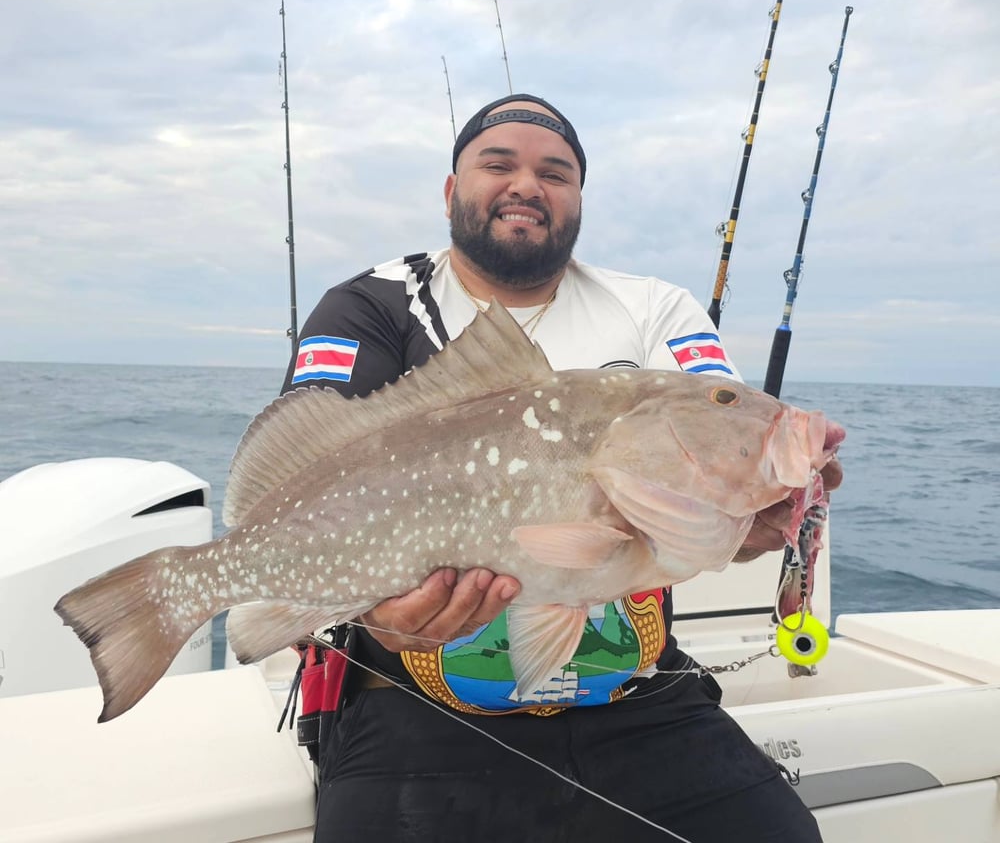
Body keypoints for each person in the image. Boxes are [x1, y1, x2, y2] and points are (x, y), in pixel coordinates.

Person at [281, 93, 841, 842]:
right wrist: (374, 614)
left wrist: (758, 515)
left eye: (555, 171)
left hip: (639, 696)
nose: (526, 185)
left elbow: (713, 465)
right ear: (452, 191)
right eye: (498, 163)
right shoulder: (373, 306)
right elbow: (304, 475)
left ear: (578, 199)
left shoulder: (654, 308)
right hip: (413, 704)